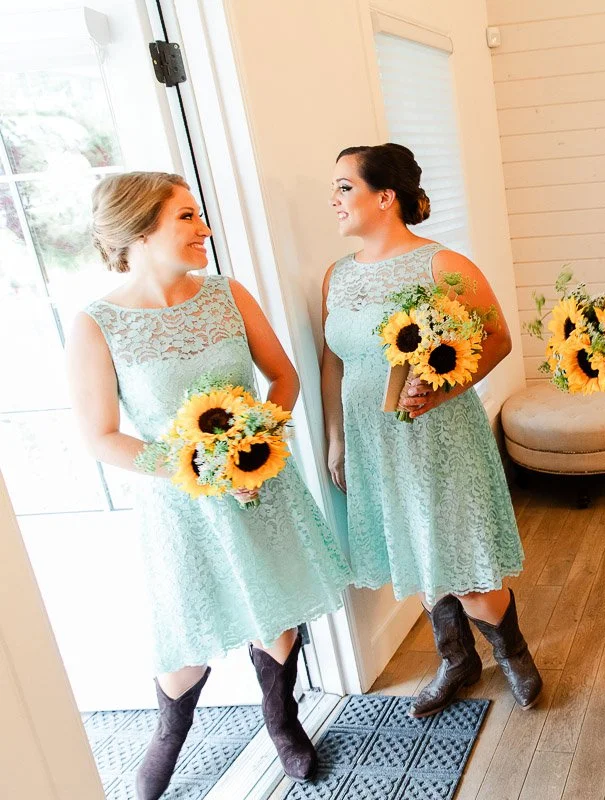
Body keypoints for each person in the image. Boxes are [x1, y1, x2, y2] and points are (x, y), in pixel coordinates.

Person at [66, 171, 353, 798]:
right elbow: (101, 436)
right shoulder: (97, 324)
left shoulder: (228, 294)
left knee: (275, 610)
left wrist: (253, 446)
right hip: (180, 505)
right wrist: (200, 469)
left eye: (199, 216)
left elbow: (282, 379)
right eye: (186, 218)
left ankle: (283, 725)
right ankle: (167, 738)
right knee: (187, 631)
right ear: (140, 232)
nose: (204, 229)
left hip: (260, 489)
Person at [322, 143, 541, 717]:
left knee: (463, 558)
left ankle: (513, 654)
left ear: (385, 197)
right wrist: (337, 437)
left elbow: (496, 340)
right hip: (373, 443)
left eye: (345, 187)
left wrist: (438, 390)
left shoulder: (443, 265)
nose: (335, 198)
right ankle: (457, 661)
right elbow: (333, 362)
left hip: (438, 437)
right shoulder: (336, 277)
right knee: (416, 551)